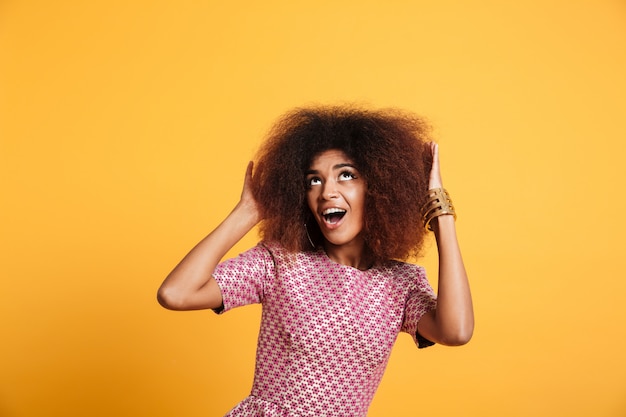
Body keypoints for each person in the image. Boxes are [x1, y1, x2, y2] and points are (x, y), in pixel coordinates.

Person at [157, 105, 474, 416]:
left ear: (378, 187)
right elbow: (176, 294)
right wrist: (247, 212)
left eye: (346, 176)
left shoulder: (400, 283)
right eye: (314, 180)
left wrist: (440, 212)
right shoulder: (280, 262)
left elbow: (456, 332)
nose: (327, 193)